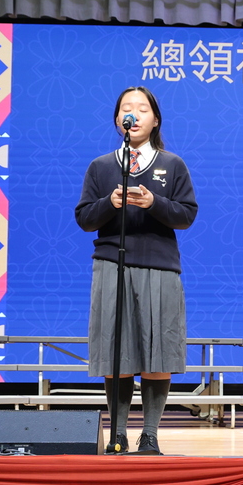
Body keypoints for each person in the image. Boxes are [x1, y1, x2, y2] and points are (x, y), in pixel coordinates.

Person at [75, 86, 198, 454]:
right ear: (118, 120)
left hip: (160, 265)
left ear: (155, 119)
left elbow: (186, 215)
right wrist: (109, 203)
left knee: (158, 350)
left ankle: (150, 434)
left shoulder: (172, 165)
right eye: (126, 108)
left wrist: (154, 202)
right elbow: (84, 218)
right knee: (118, 351)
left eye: (142, 108)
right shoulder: (101, 166)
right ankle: (118, 434)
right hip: (112, 265)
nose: (134, 114)